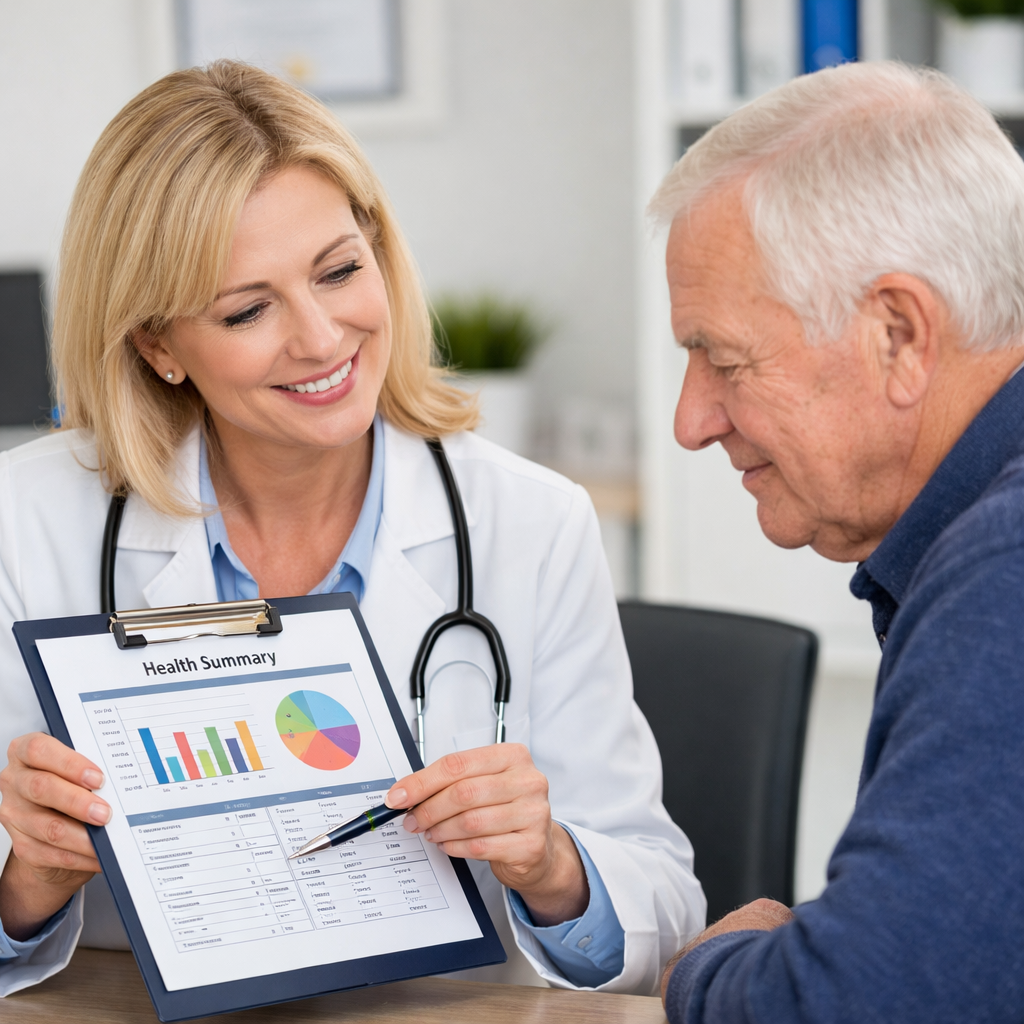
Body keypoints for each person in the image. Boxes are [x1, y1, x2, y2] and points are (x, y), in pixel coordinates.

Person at [0, 61, 705, 997]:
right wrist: (25, 886)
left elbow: (664, 908)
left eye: (339, 271)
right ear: (158, 345)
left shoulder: (531, 523)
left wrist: (551, 865)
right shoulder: (27, 521)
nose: (322, 337)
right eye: (248, 309)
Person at [651, 61, 1024, 1023]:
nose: (691, 421)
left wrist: (718, 961)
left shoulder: (1006, 571)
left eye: (724, 359)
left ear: (899, 334)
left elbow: (844, 1006)